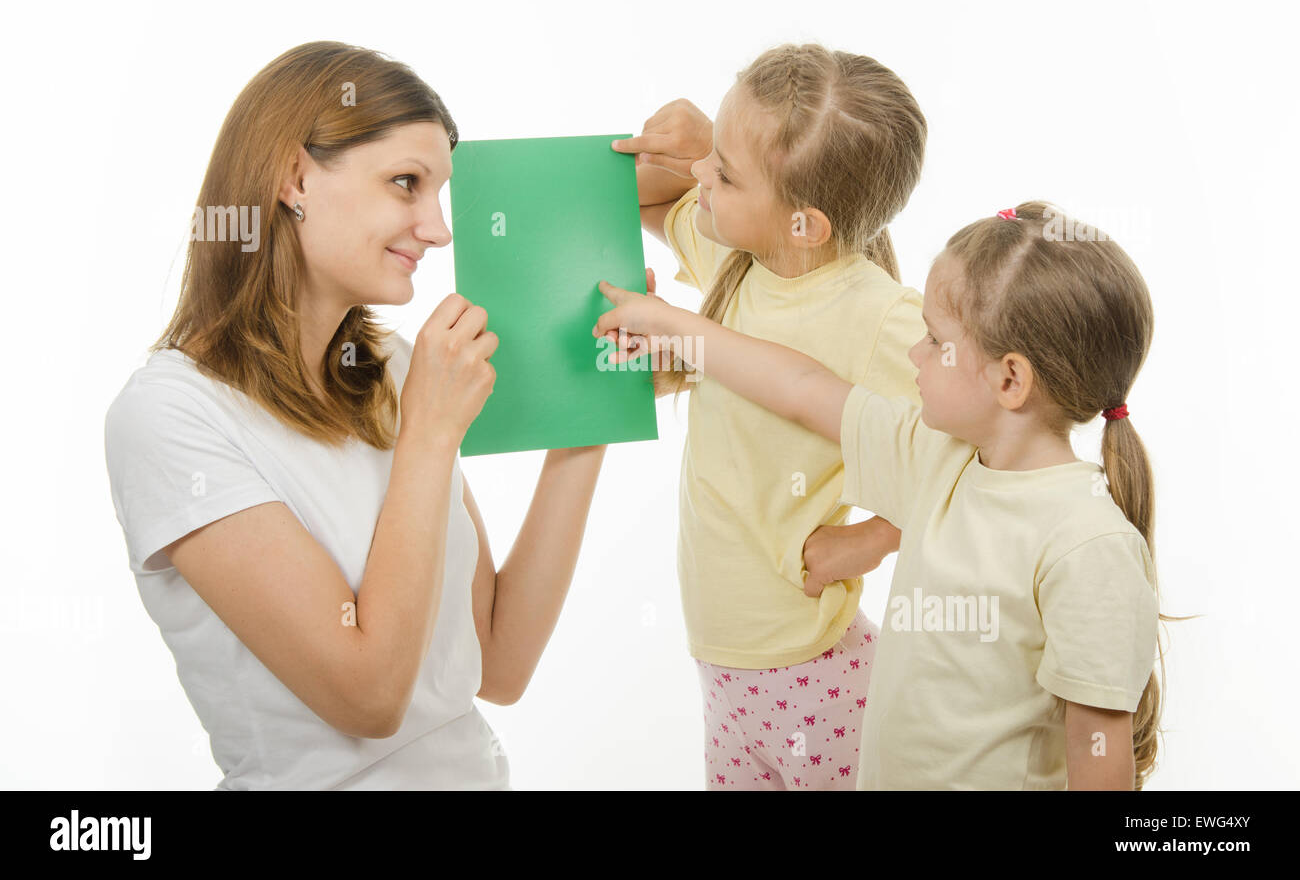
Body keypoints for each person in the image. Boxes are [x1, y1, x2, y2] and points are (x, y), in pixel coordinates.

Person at [104, 41, 608, 789]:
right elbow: (367, 695)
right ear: (295, 177)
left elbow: (498, 663)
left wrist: (591, 414)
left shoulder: (394, 369)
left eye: (438, 193)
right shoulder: (169, 416)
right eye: (407, 183)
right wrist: (430, 435)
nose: (438, 229)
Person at [594, 201, 1169, 789]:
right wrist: (674, 327)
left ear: (1010, 380)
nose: (915, 352)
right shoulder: (935, 460)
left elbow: (1099, 760)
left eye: (934, 339)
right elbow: (801, 387)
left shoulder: (1086, 544)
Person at [605, 43, 928, 788]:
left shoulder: (875, 314)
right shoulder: (738, 253)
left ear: (806, 225)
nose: (699, 181)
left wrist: (869, 543)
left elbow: (979, 455)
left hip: (812, 671)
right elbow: (645, 196)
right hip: (725, 663)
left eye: (724, 174)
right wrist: (697, 145)